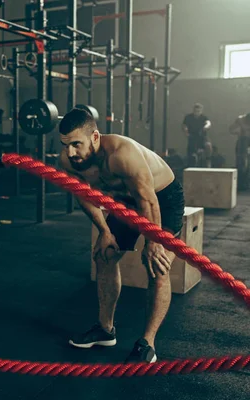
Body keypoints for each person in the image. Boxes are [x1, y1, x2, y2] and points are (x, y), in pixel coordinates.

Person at [58, 108, 185, 363]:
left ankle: (147, 343)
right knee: (104, 255)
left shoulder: (122, 155)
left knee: (157, 266)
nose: (70, 152)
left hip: (162, 198)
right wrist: (104, 232)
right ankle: (105, 330)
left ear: (95, 137)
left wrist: (153, 242)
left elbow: (148, 201)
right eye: (65, 145)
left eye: (76, 144)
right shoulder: (68, 160)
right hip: (126, 202)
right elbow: (84, 196)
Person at [182, 103, 212, 167]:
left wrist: (206, 126)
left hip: (202, 137)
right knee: (192, 154)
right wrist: (186, 131)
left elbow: (208, 123)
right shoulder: (188, 117)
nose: (197, 113)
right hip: (192, 137)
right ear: (193, 111)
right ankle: (191, 164)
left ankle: (208, 160)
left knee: (208, 146)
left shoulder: (203, 117)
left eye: (198, 111)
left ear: (201, 111)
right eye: (195, 111)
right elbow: (184, 125)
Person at [229, 113, 250, 189]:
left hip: (245, 143)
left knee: (245, 164)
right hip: (242, 143)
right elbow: (231, 129)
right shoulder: (241, 119)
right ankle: (241, 183)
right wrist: (238, 132)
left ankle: (246, 183)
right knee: (241, 163)